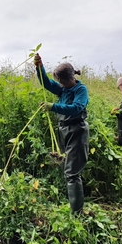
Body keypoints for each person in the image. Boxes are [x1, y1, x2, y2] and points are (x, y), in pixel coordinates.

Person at [34, 54, 89, 215]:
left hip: (77, 130)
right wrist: (39, 67)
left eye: (61, 81)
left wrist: (54, 107)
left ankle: (76, 214)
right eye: (59, 82)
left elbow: (76, 108)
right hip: (64, 130)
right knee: (68, 170)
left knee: (72, 172)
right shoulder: (63, 89)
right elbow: (46, 83)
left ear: (68, 79)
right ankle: (75, 207)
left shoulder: (80, 90)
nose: (59, 84)